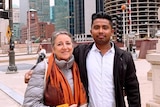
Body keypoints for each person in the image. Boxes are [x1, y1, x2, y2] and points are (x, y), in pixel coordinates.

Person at [24, 12, 141, 107]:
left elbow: (133, 90)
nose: (100, 31)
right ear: (91, 31)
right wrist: (35, 70)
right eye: (96, 27)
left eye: (105, 28)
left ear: (112, 32)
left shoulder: (124, 57)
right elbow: (59, 57)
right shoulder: (82, 52)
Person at [23, 30, 87, 107]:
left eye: (68, 43)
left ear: (72, 46)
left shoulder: (80, 66)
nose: (65, 47)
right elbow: (30, 104)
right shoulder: (43, 68)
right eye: (59, 44)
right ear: (53, 48)